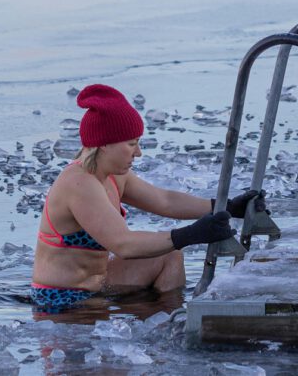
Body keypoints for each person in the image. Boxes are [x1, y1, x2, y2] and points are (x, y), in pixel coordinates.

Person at [31, 84, 264, 313]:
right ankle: (162, 321)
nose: (138, 152)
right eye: (131, 144)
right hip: (62, 300)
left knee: (169, 255)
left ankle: (172, 320)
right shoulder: (79, 183)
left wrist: (228, 207)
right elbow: (124, 244)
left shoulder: (113, 176)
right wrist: (192, 234)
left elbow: (165, 201)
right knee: (172, 247)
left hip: (99, 285)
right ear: (103, 144)